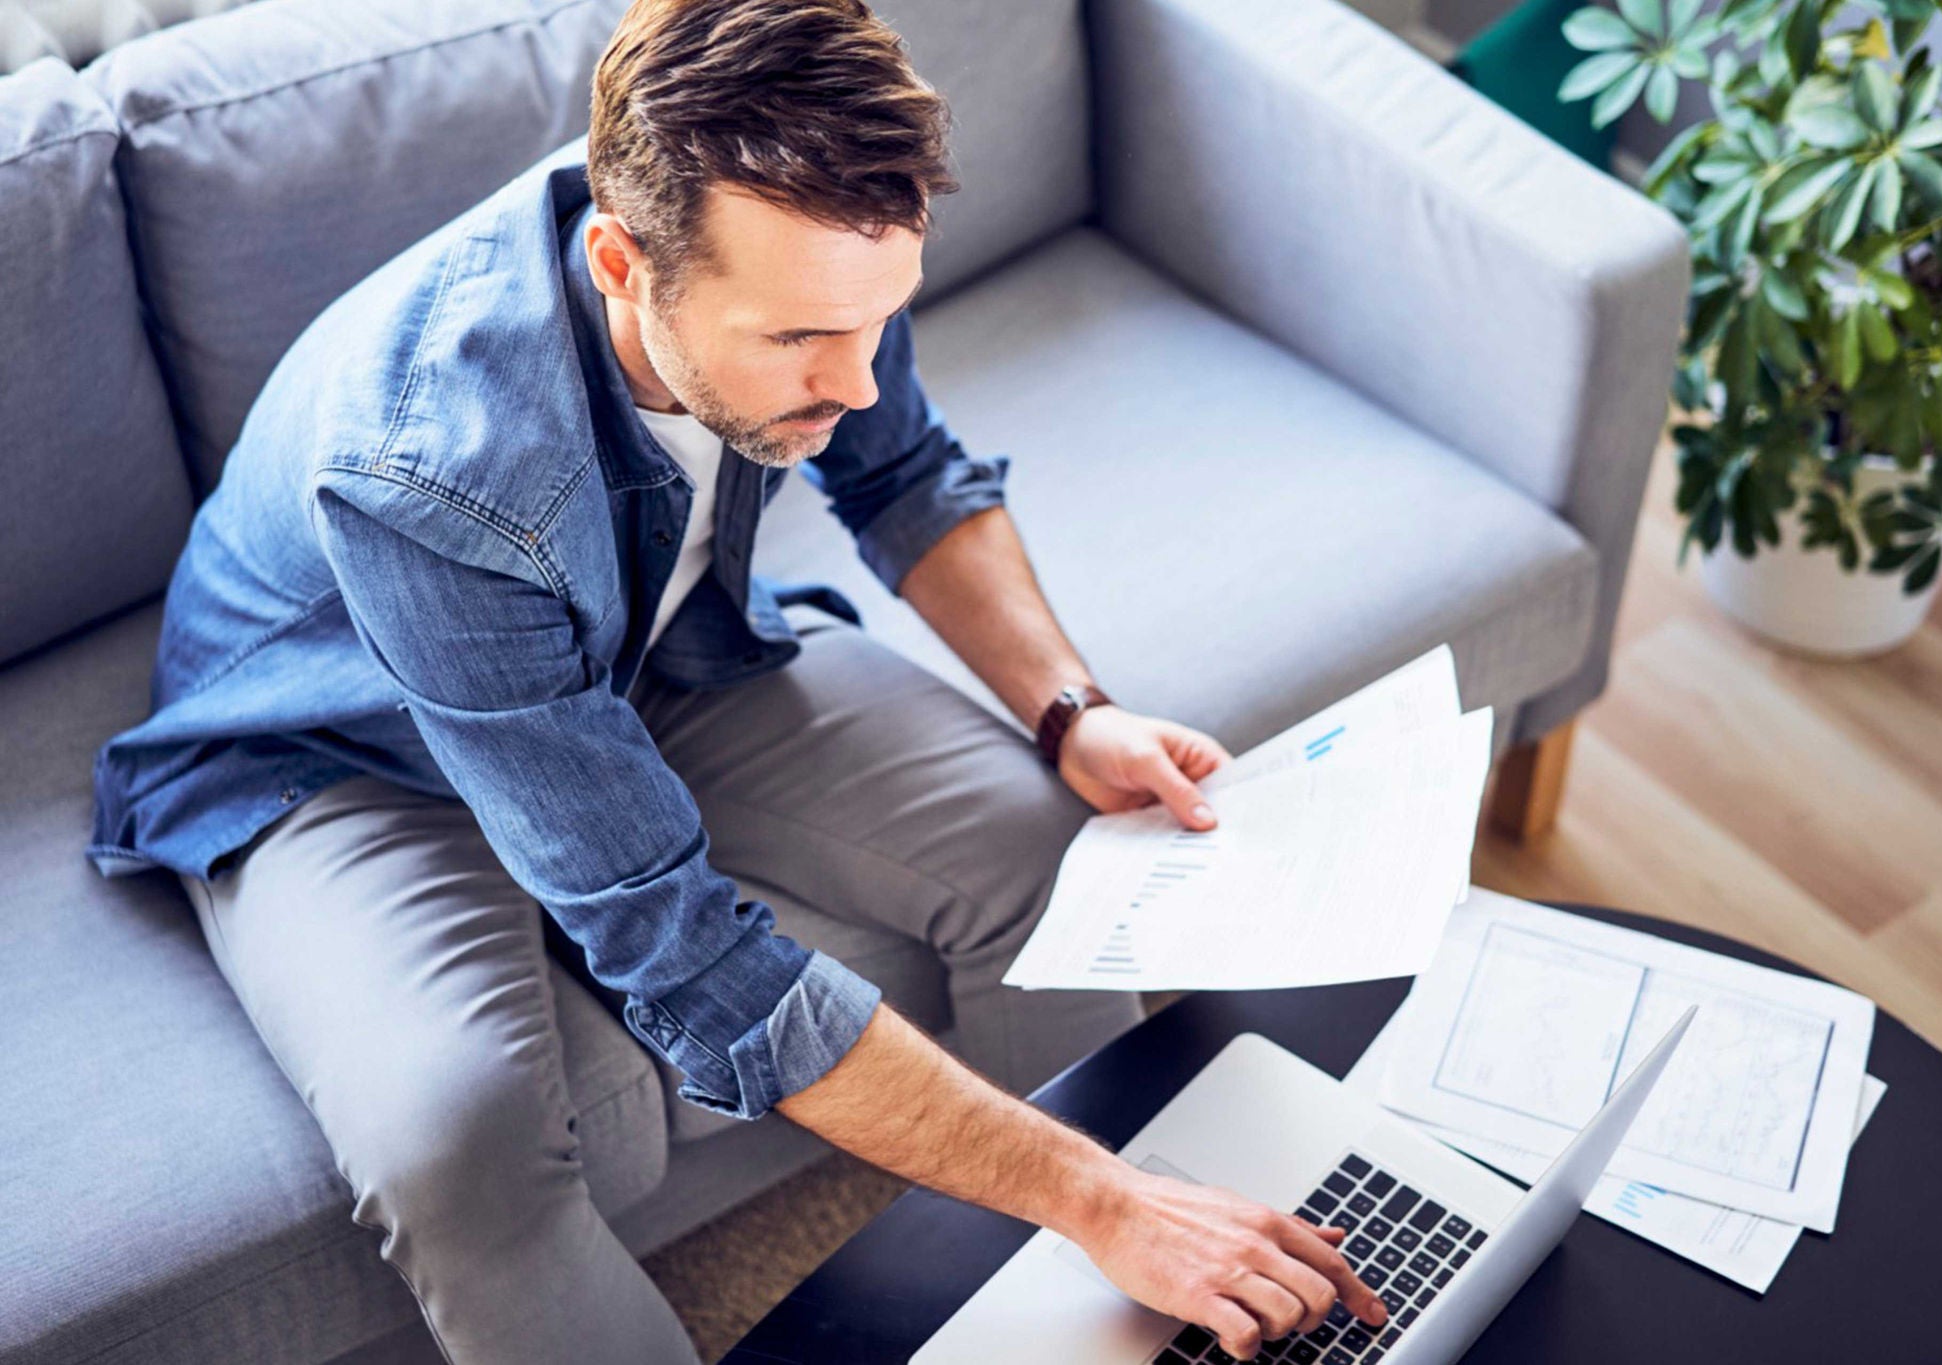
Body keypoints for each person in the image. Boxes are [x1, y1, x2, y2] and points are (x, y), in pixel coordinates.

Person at [85, 1, 1386, 1359]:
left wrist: (1072, 709)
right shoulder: (431, 470)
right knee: (456, 1140)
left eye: (881, 320)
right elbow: (689, 957)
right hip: (341, 756)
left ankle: (1112, 1312)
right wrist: (1098, 1192)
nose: (858, 375)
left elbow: (905, 471)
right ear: (618, 261)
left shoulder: (819, 264)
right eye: (802, 346)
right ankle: (1127, 1223)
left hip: (648, 647)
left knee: (1058, 854)